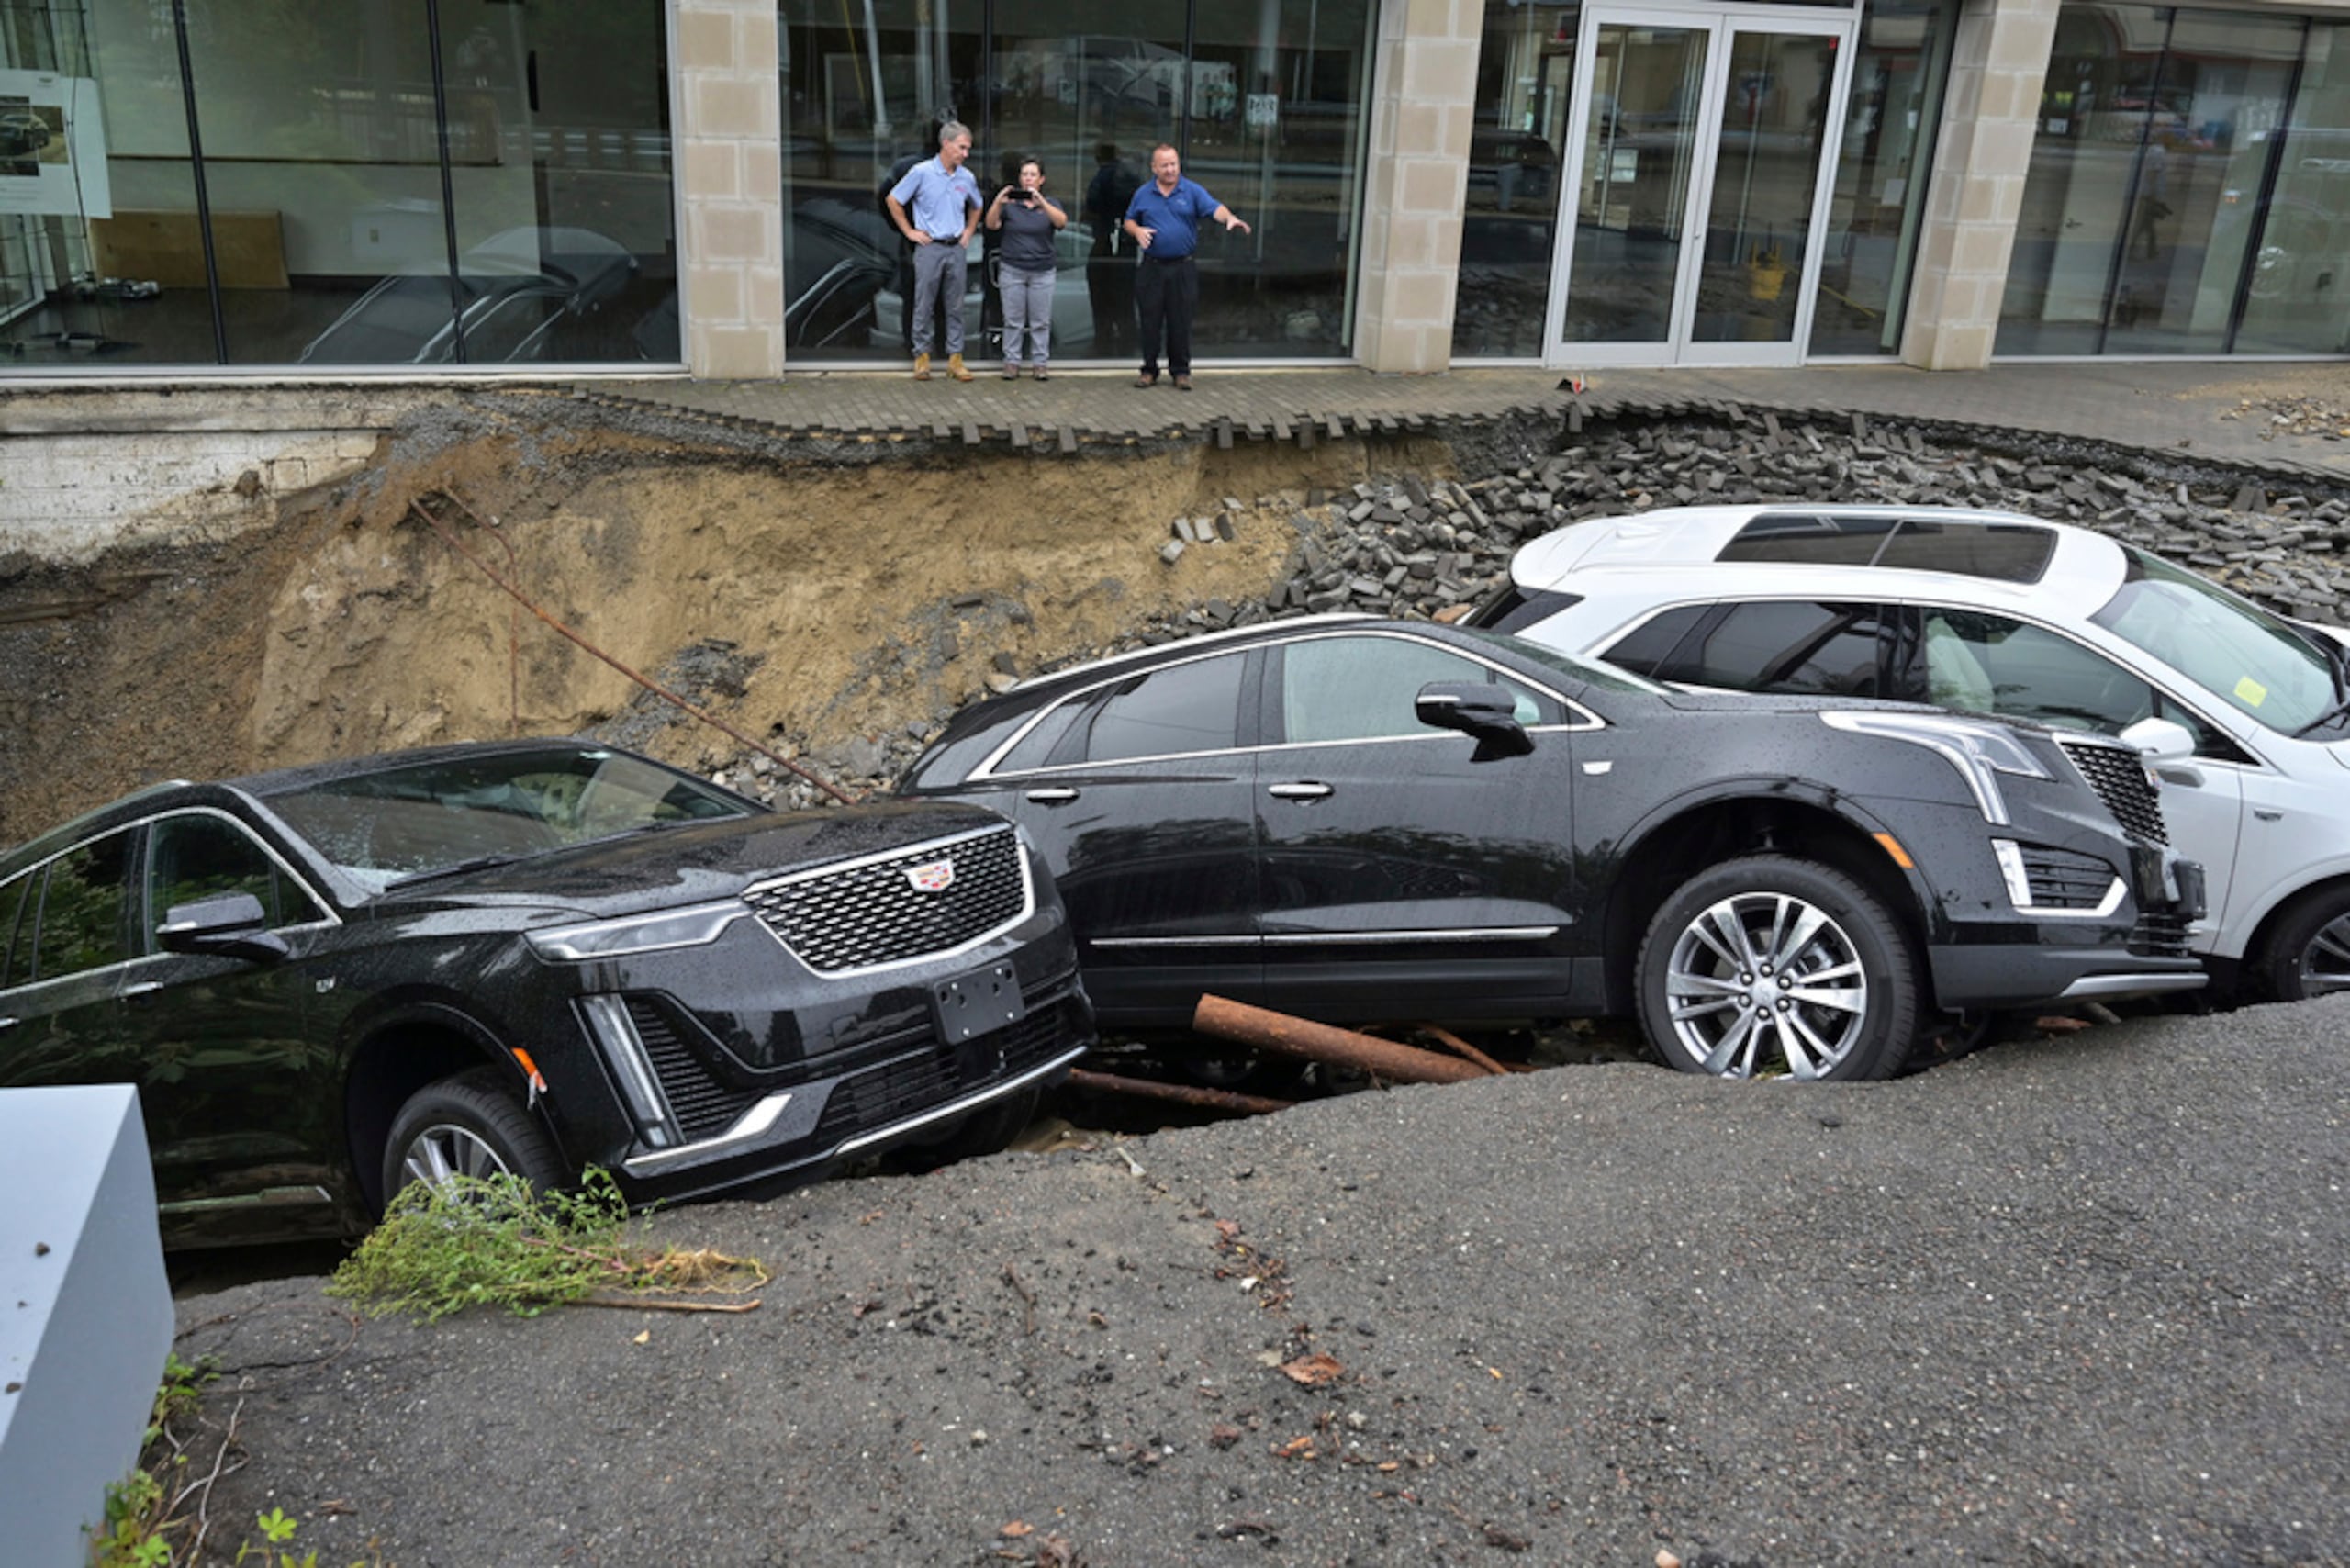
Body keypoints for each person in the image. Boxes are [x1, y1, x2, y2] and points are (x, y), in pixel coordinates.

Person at [1122, 143, 1249, 390]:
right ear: (1154, 168)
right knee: (1149, 321)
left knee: (1180, 321)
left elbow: (1215, 208)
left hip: (1182, 268)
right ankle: (1149, 370)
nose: (1170, 169)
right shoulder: (1143, 193)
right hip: (1152, 268)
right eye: (1165, 165)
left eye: (1174, 164)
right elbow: (1129, 220)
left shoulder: (1191, 191)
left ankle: (1180, 372)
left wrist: (1229, 218)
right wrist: (1136, 231)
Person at [886, 120, 983, 381]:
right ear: (946, 144)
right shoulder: (922, 172)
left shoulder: (966, 177)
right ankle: (922, 357)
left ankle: (955, 359)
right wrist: (909, 231)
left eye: (968, 148)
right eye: (962, 147)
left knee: (955, 305)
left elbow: (977, 205)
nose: (966, 154)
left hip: (955, 247)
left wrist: (969, 230)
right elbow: (893, 199)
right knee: (924, 304)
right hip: (930, 248)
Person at [986, 156, 1067, 379]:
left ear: (1041, 179)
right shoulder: (1011, 206)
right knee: (1013, 320)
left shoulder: (1050, 203)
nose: (1028, 179)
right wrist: (999, 202)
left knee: (1041, 321)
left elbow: (1061, 222)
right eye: (1025, 174)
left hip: (1042, 271)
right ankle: (1012, 362)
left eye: (1033, 175)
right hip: (1013, 269)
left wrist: (1042, 203)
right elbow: (991, 224)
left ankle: (1040, 363)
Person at [1084, 142, 1140, 358]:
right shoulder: (1131, 177)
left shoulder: (1101, 178)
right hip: (1126, 244)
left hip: (1106, 241)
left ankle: (1104, 342)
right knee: (1125, 300)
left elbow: (1092, 206)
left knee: (1101, 299)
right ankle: (1126, 345)